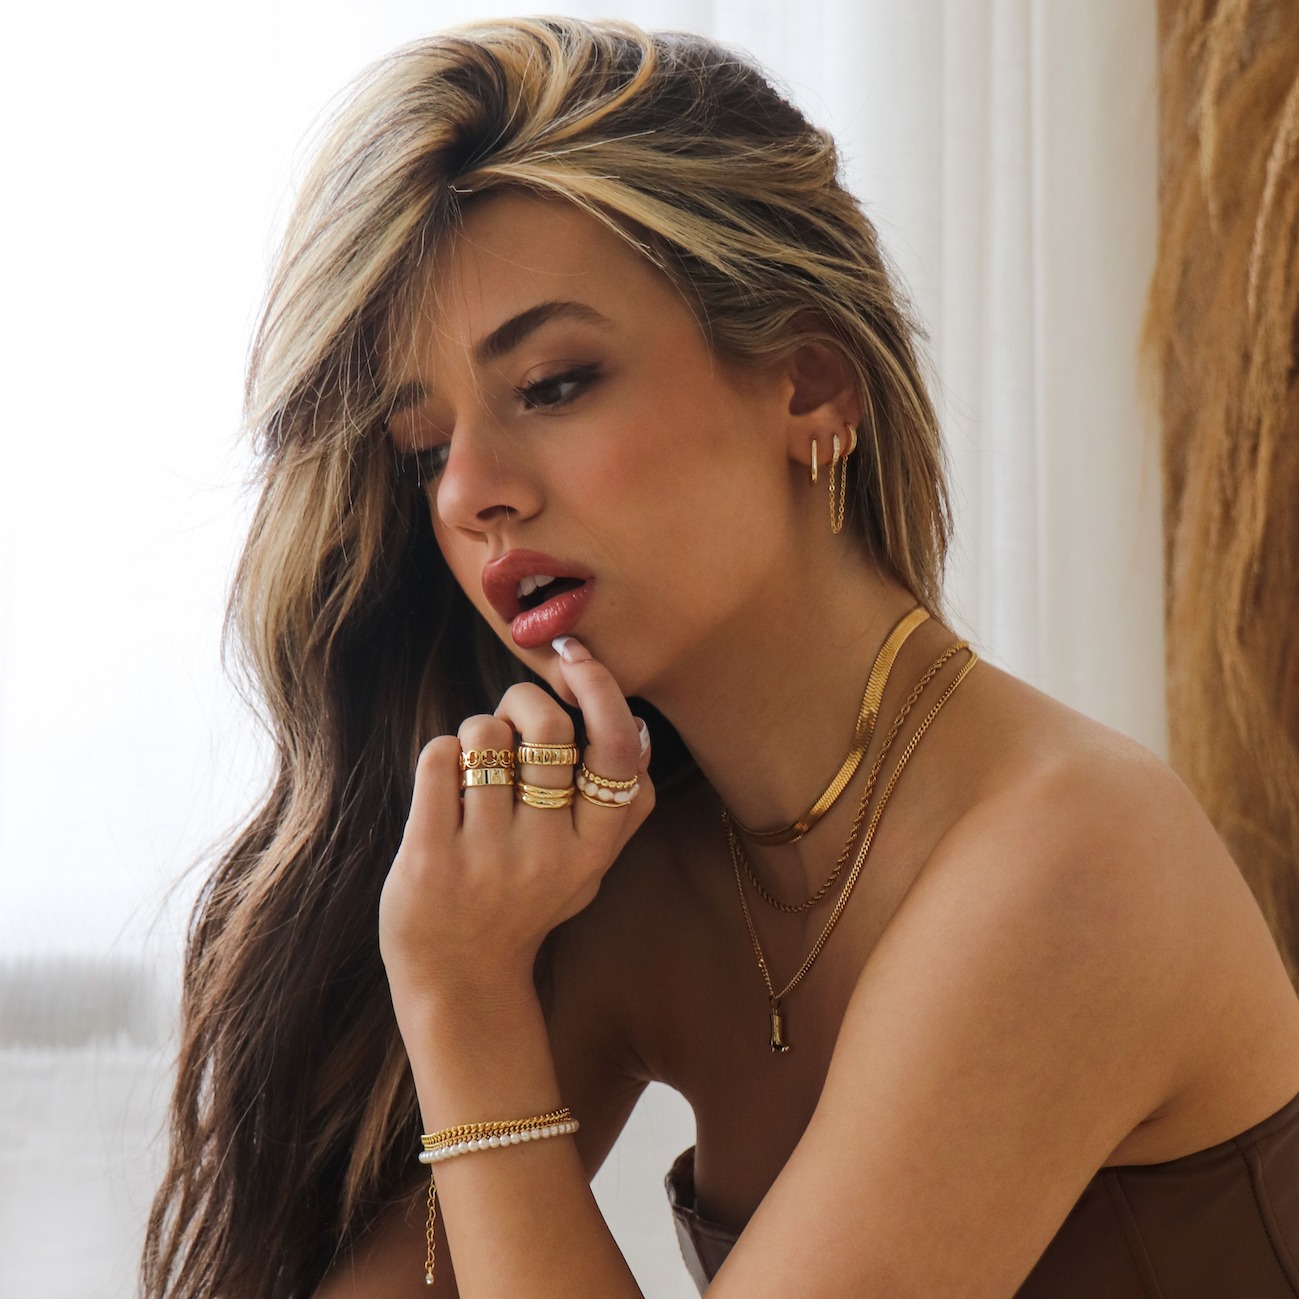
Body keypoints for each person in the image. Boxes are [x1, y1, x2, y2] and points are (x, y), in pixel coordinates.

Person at [143, 18, 1299, 1299]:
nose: (469, 493)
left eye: (554, 383)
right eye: (423, 451)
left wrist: (462, 1000)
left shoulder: (1075, 857)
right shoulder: (639, 884)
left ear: (808, 384)